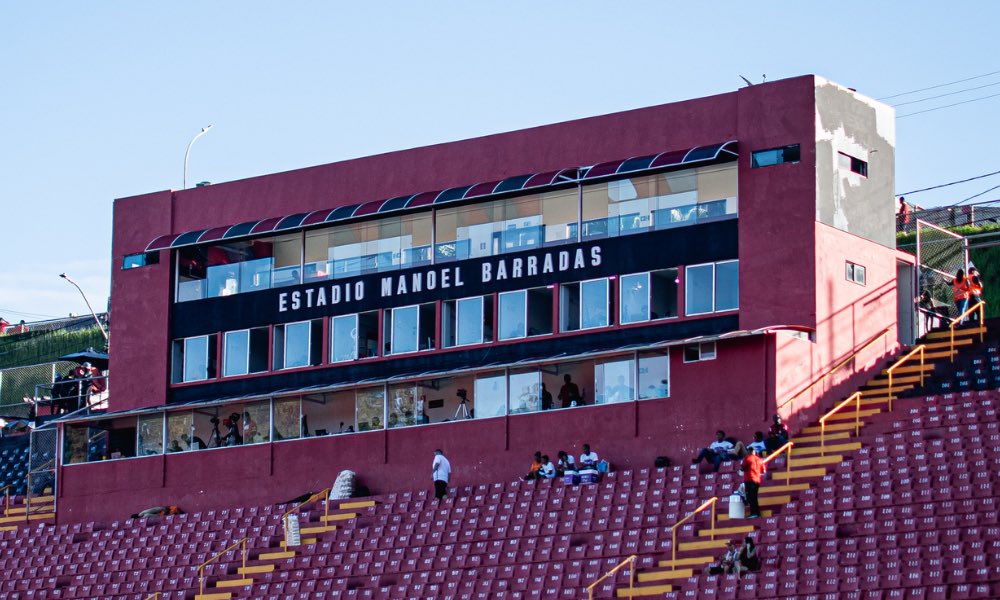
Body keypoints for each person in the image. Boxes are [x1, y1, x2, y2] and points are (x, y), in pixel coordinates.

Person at [742, 448, 766, 519]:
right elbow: (763, 471)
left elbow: (743, 467)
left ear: (749, 451)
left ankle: (754, 513)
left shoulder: (747, 458)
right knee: (754, 497)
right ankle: (757, 513)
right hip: (757, 480)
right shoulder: (760, 459)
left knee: (750, 497)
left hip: (749, 479)